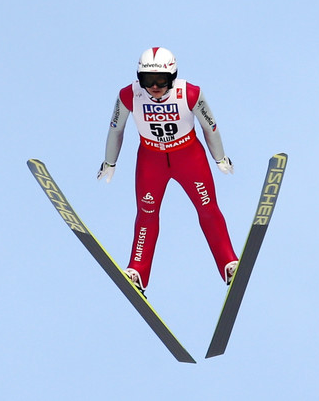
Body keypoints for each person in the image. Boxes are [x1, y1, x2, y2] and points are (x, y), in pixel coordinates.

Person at [97, 47, 238, 292]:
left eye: (161, 80)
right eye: (147, 80)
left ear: (172, 77)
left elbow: (210, 126)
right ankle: (137, 271)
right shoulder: (129, 95)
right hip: (151, 161)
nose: (154, 87)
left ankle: (229, 263)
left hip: (188, 157)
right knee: (146, 214)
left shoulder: (190, 93)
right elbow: (115, 129)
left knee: (207, 209)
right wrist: (110, 162)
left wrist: (220, 157)